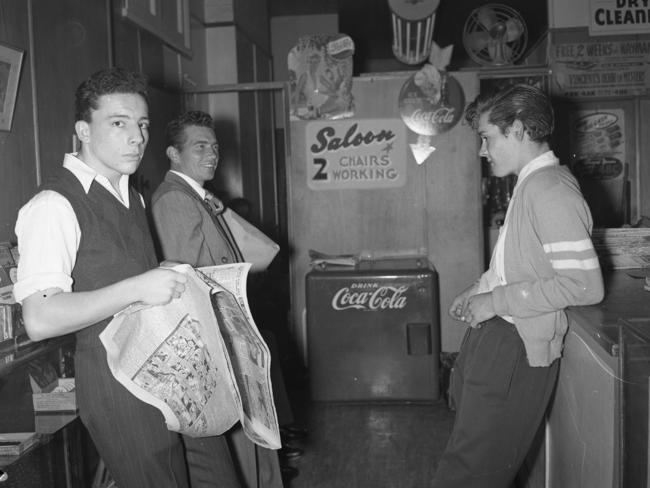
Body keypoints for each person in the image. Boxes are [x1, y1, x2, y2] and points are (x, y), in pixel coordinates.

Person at [13, 67, 241, 488]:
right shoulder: (53, 205)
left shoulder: (131, 194)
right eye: (118, 123)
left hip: (169, 371)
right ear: (83, 129)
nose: (136, 137)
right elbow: (40, 318)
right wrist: (138, 286)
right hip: (117, 386)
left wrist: (163, 275)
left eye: (142, 125)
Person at [432, 84, 605, 488]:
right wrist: (481, 288)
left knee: (470, 472)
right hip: (499, 338)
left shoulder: (551, 190)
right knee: (469, 457)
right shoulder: (530, 184)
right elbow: (522, 263)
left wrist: (497, 299)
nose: (482, 150)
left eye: (488, 137)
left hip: (514, 346)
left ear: (521, 130)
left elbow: (584, 286)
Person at [150, 110, 301, 487]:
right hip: (214, 339)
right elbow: (186, 281)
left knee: (254, 440)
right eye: (200, 146)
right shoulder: (174, 199)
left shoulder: (197, 197)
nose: (212, 154)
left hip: (229, 332)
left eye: (214, 147)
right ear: (173, 153)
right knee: (240, 449)